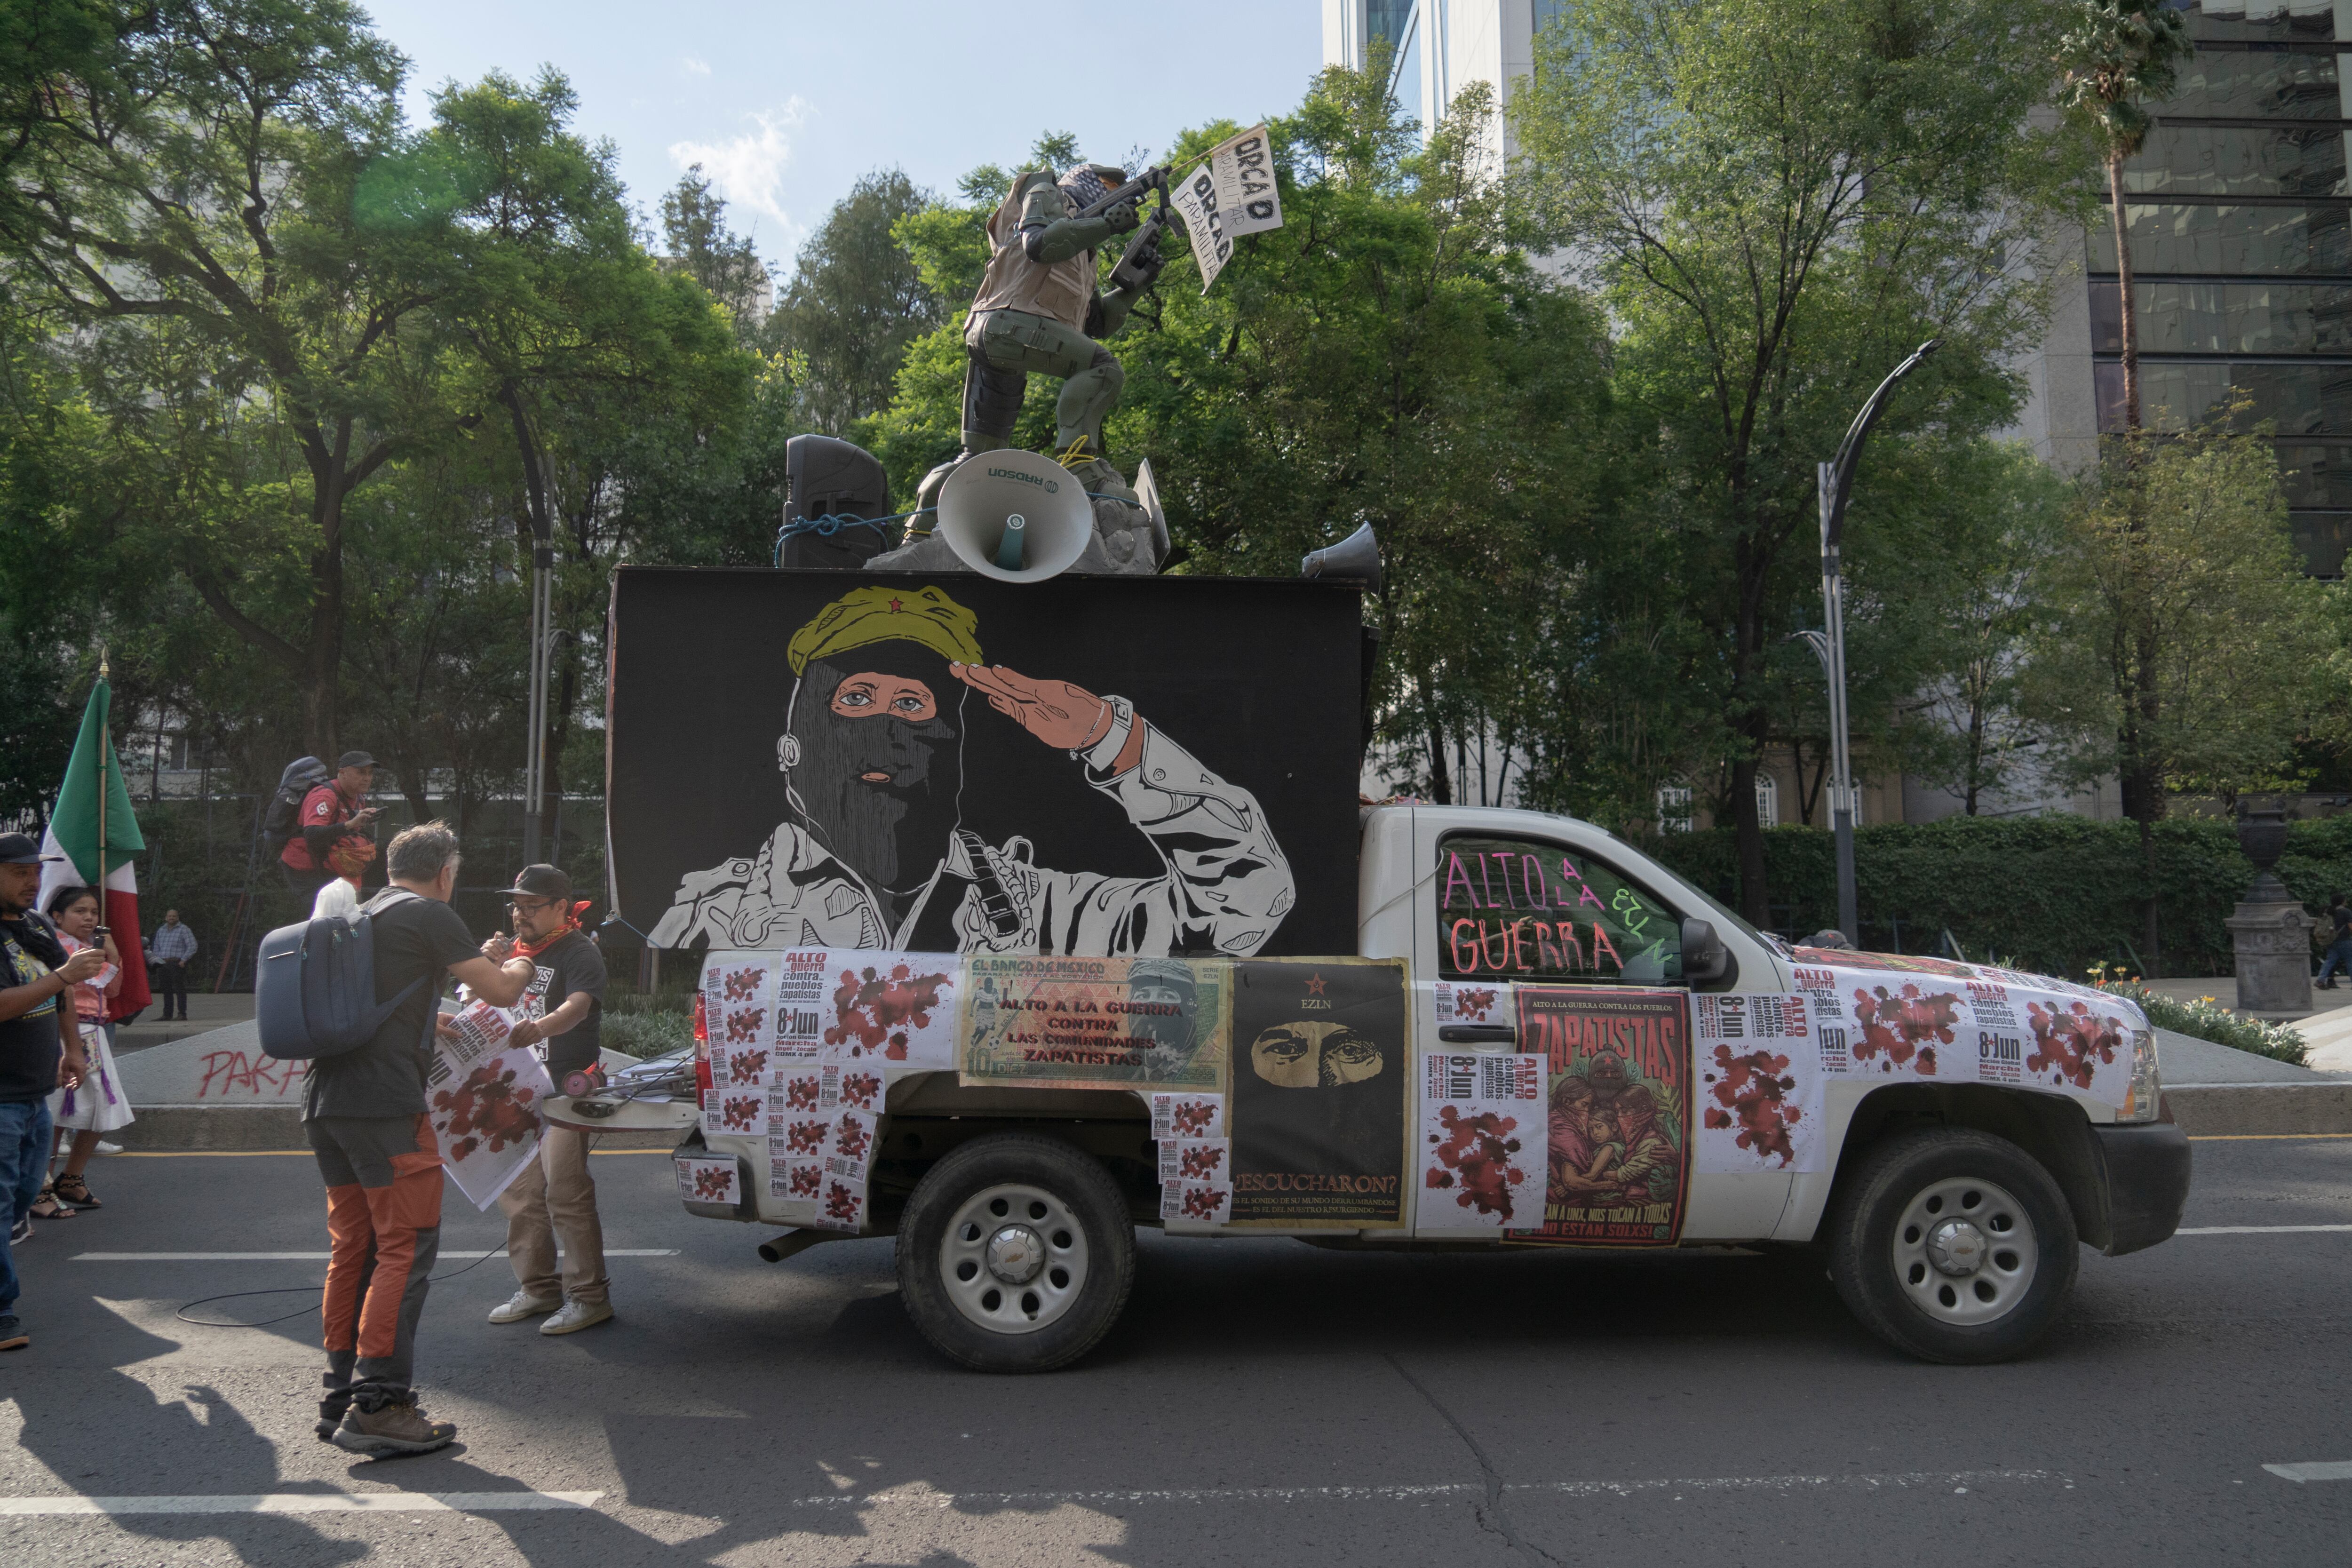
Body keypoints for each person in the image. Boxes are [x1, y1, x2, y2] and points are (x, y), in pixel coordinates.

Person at [650, 584, 1294, 957]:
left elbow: (1243, 907)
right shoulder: (721, 913)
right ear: (791, 753)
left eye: (911, 703)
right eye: (855, 698)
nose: (885, 729)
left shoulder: (1039, 910)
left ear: (953, 752)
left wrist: (1114, 742)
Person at [306, 820, 531, 1457]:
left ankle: (339, 1395)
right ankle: (381, 1404)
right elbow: (503, 989)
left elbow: (381, 1003)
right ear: (446, 873)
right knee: (404, 1248)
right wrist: (517, 956)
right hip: (386, 1107)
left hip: (327, 1102)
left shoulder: (365, 912)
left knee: (355, 1244)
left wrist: (437, 1020)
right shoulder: (430, 914)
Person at [483, 864, 614, 1336]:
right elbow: (481, 1002)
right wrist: (485, 966)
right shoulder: (513, 953)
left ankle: (589, 1296)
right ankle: (538, 1287)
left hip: (565, 1088)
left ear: (561, 906)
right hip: (515, 1088)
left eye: (531, 906)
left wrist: (538, 1028)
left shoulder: (579, 951)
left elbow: (576, 1008)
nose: (521, 915)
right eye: (517, 906)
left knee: (564, 1191)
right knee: (520, 1195)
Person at [0, 833, 97, 1352]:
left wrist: (73, 1049)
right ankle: (1, 1311)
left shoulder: (35, 925)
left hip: (34, 1094)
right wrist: (62, 973)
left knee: (19, 1204)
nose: (32, 881)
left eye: (35, 871)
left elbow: (61, 992)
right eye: (18, 872)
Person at [38, 886, 133, 1217]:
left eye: (93, 912)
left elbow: (114, 989)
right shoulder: (51, 947)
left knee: (101, 1110)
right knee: (55, 1115)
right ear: (57, 917)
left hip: (95, 1032)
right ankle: (40, 1185)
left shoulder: (94, 949)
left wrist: (113, 955)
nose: (90, 918)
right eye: (80, 911)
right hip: (63, 1032)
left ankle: (72, 1176)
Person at [280, 750, 382, 906]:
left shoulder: (358, 798)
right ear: (343, 773)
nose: (367, 778)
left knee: (351, 912)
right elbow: (312, 834)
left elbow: (343, 830)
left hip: (330, 866)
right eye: (361, 773)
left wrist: (361, 823)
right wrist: (351, 824)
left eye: (370, 773)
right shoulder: (325, 796)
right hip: (305, 867)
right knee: (325, 919)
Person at [148, 909, 197, 1021]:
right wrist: (157, 960)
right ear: (166, 918)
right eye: (170, 916)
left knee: (179, 989)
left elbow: (193, 946)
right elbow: (156, 947)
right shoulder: (161, 930)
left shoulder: (184, 930)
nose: (171, 918)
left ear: (178, 918)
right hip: (163, 963)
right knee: (166, 990)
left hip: (177, 963)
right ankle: (167, 1014)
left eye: (174, 916)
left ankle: (182, 1014)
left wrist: (184, 960)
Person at [2318, 894, 2352, 991]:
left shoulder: (2328, 911)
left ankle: (2320, 980)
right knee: (2350, 961)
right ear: (2342, 901)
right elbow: (2350, 926)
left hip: (2330, 940)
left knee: (2330, 961)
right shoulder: (2346, 912)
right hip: (2344, 940)